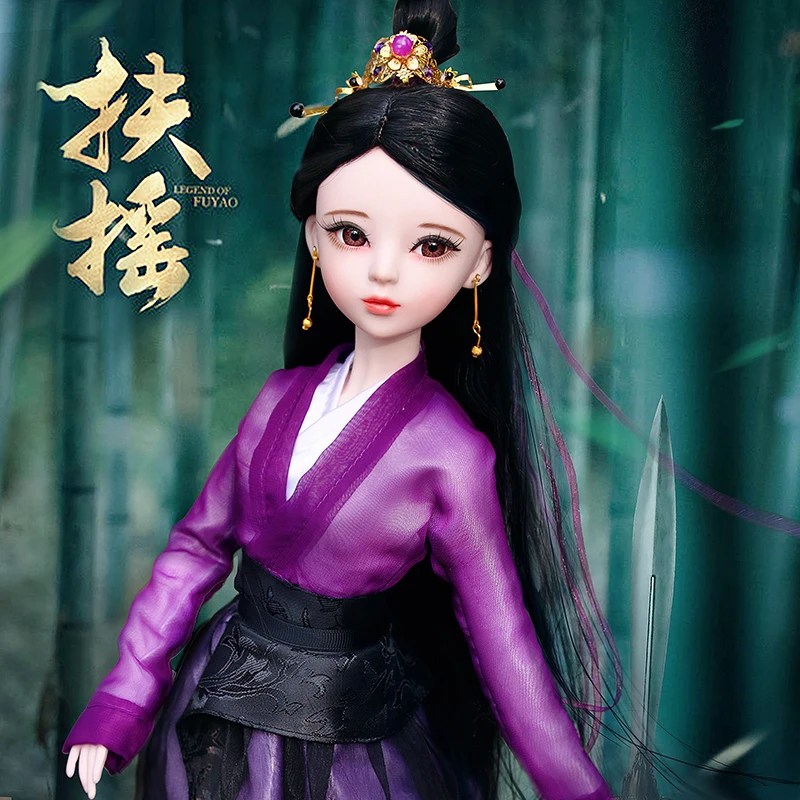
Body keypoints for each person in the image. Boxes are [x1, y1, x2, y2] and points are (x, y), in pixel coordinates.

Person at [64, 1, 617, 798]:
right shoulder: (279, 398)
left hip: (351, 750)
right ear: (315, 237)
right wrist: (124, 696)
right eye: (352, 234)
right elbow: (196, 549)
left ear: (480, 263)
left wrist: (577, 789)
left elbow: (506, 650)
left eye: (431, 245)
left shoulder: (449, 453)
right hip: (215, 713)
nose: (384, 270)